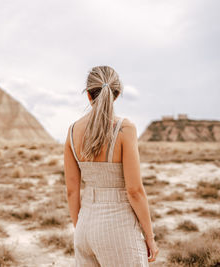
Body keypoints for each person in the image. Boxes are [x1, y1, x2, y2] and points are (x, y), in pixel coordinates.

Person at [64, 65, 159, 266]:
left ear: (88, 95)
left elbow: (72, 191)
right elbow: (134, 191)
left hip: (84, 227)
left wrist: (81, 228)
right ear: (116, 95)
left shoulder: (72, 131)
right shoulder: (125, 128)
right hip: (118, 226)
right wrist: (149, 237)